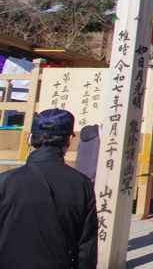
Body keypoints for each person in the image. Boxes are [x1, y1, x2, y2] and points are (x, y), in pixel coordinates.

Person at [0, 108, 97, 269]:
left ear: (29, 139)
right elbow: (85, 248)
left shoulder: (5, 181)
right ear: (68, 141)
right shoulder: (81, 184)